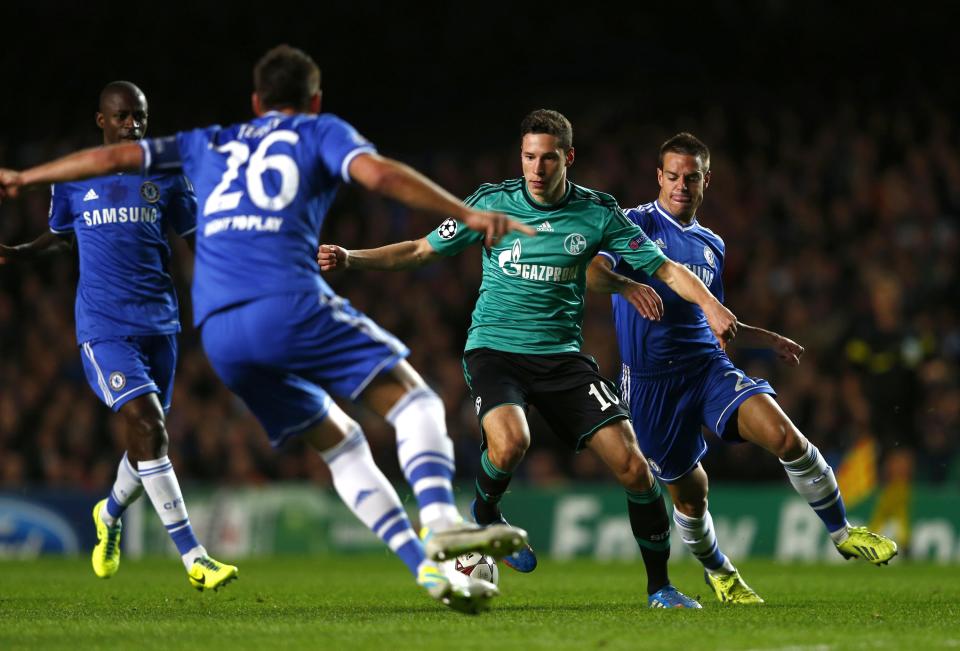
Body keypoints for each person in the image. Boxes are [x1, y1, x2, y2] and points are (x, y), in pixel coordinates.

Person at [0, 45, 531, 614]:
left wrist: (24, 177)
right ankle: (442, 521)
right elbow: (377, 174)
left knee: (339, 444)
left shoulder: (209, 142)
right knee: (415, 401)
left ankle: (425, 571)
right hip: (279, 303)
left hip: (219, 331)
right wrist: (470, 213)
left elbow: (116, 164)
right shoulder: (319, 131)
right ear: (316, 100)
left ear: (255, 102)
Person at [317, 109, 738, 608]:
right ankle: (485, 510)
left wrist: (710, 304)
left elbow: (665, 269)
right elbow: (420, 251)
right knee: (512, 441)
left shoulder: (598, 213)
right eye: (529, 157)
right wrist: (351, 258)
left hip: (562, 359)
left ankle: (660, 587)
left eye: (548, 159)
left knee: (634, 467)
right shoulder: (491, 205)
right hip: (495, 351)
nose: (536, 169)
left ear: (569, 158)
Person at [587, 132, 898, 605]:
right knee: (691, 496)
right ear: (659, 177)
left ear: (706, 181)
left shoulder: (713, 244)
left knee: (784, 436)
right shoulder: (632, 223)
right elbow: (590, 271)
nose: (681, 186)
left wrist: (762, 336)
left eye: (691, 178)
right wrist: (625, 286)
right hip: (650, 387)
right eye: (672, 176)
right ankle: (720, 572)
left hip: (706, 367)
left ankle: (842, 531)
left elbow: (713, 316)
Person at [0, 81, 238, 592]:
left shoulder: (167, 174)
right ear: (101, 121)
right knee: (150, 426)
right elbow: (63, 237)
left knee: (145, 439)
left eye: (140, 116)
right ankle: (195, 557)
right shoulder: (73, 177)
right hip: (103, 328)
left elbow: (198, 238)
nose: (133, 124)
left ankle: (107, 514)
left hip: (161, 325)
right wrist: (20, 253)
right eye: (123, 116)